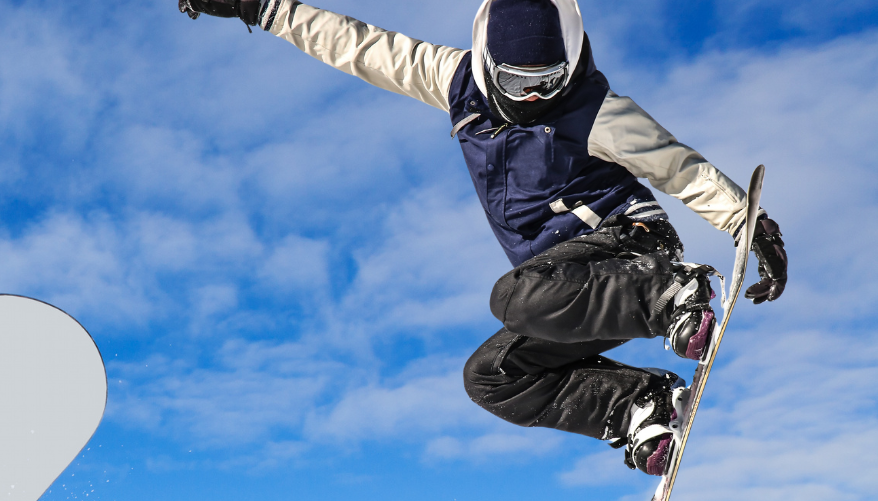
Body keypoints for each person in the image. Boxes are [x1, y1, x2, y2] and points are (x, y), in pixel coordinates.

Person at [179, 0, 789, 475]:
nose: (533, 97)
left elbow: (678, 167)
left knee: (514, 296)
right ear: (489, 67)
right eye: (519, 83)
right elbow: (361, 47)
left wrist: (748, 224)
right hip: (573, 295)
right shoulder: (454, 80)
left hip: (628, 249)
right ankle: (638, 405)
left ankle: (672, 295)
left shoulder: (595, 109)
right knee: (491, 377)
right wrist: (264, 8)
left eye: (548, 82)